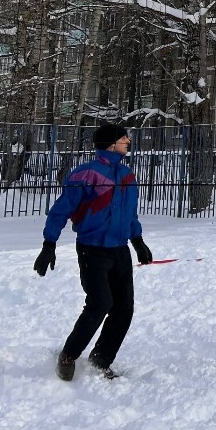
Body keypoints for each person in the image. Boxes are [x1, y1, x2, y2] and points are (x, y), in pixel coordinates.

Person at [33, 124, 153, 381]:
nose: (128, 141)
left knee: (124, 308)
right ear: (111, 143)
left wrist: (138, 241)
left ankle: (100, 360)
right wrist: (49, 244)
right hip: (92, 250)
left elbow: (130, 214)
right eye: (123, 138)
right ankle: (68, 355)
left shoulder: (127, 175)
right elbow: (60, 210)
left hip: (120, 251)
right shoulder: (86, 174)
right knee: (100, 303)